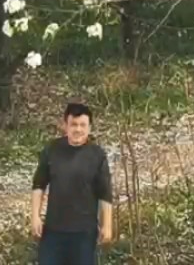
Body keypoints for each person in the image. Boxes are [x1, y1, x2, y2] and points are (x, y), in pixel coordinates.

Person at [31, 101, 114, 265]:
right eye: (73, 124)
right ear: (65, 125)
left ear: (89, 128)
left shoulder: (97, 155)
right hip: (53, 231)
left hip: (84, 233)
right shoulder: (52, 149)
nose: (78, 129)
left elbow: (105, 193)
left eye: (83, 125)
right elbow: (38, 185)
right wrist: (35, 217)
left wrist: (107, 226)